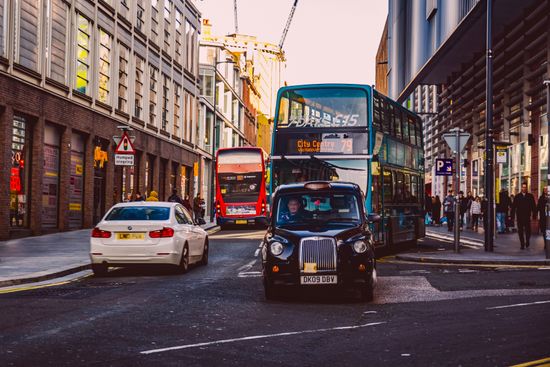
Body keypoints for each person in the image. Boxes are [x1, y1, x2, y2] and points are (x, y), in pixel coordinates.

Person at [511, 183, 537, 249]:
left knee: (528, 230)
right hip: (519, 217)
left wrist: (534, 215)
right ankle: (522, 244)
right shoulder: (517, 196)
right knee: (520, 231)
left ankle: (527, 241)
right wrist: (512, 217)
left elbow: (533, 206)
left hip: (527, 216)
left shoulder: (530, 196)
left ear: (526, 188)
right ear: (521, 188)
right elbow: (513, 207)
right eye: (523, 187)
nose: (524, 188)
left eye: (525, 187)